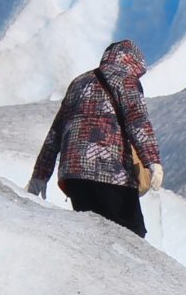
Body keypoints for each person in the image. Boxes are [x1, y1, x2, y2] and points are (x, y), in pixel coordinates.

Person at [28, 40, 164, 235]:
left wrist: (40, 175)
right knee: (131, 237)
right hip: (110, 171)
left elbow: (55, 132)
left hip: (73, 174)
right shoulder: (126, 81)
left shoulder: (78, 82)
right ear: (133, 62)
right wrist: (152, 161)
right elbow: (138, 122)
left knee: (93, 237)